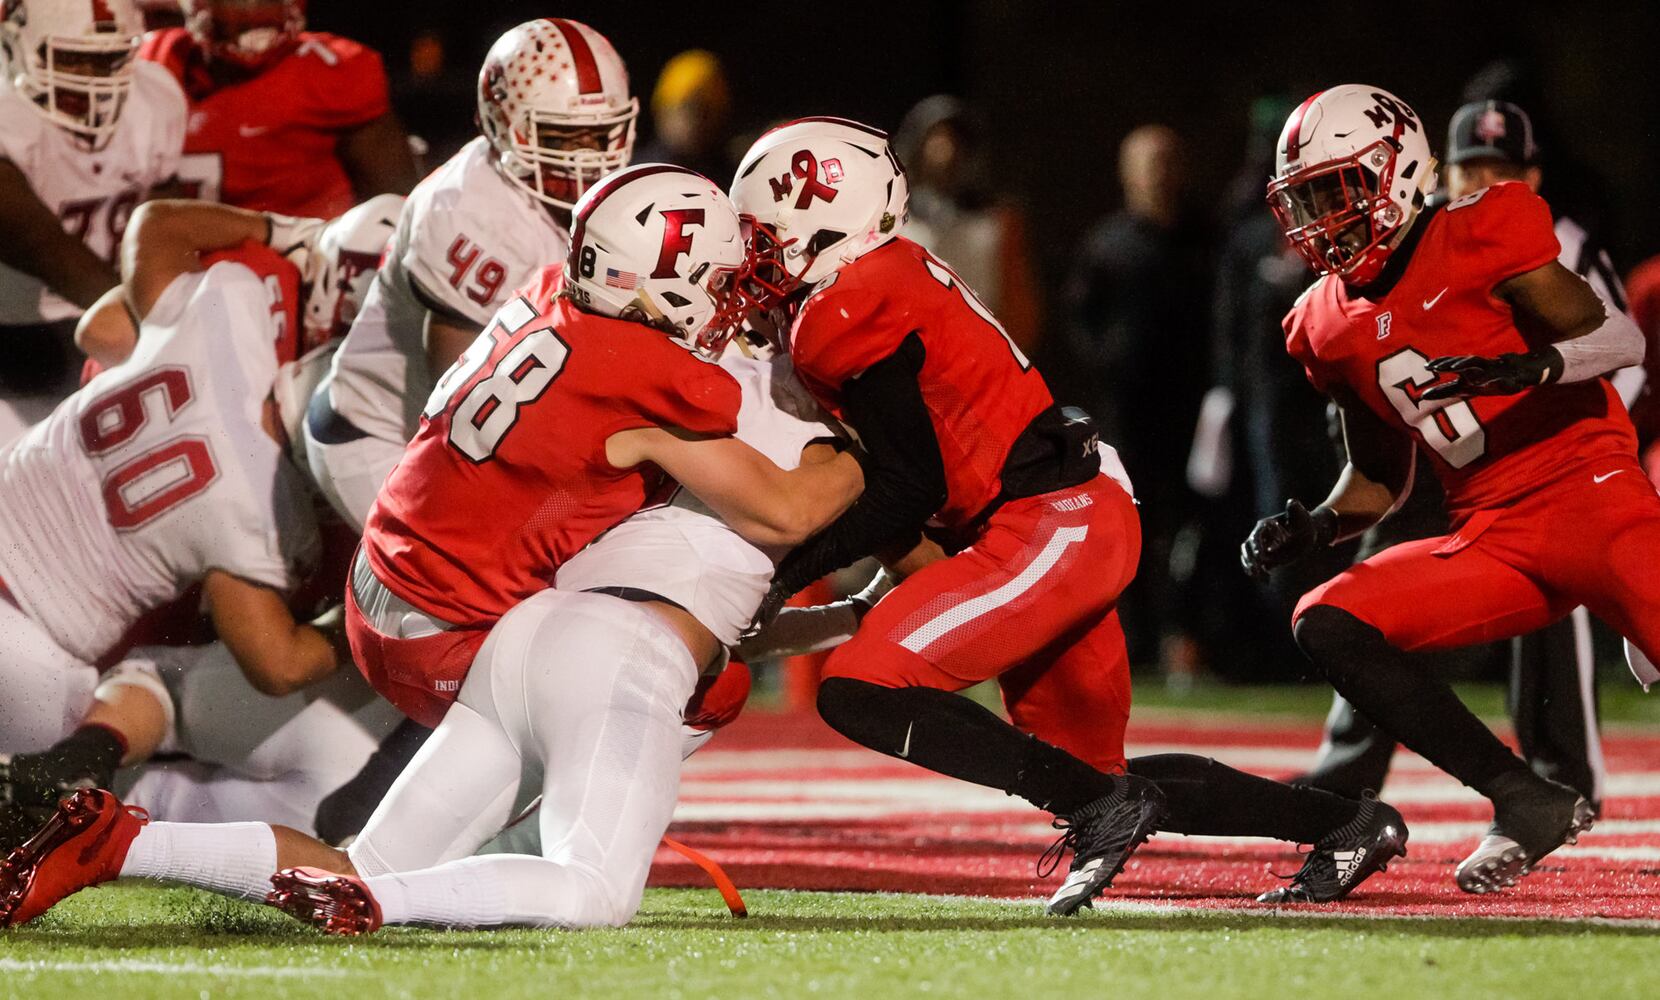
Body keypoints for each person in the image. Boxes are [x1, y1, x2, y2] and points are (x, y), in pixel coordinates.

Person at [0, 164, 864, 932]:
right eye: (717, 282)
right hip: (447, 624)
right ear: (659, 291)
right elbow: (790, 509)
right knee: (627, 811)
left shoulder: (552, 283)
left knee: (371, 850)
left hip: (404, 571)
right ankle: (428, 885)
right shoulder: (659, 378)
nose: (733, 301)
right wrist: (881, 441)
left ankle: (119, 842)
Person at [731, 118, 1406, 915]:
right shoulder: (876, 280)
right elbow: (915, 502)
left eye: (764, 239)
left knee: (862, 690)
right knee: (1096, 774)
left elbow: (905, 488)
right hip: (1053, 520)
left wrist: (776, 580)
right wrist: (835, 605)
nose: (753, 262)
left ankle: (1096, 813)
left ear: (828, 222)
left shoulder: (843, 309)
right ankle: (1348, 825)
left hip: (1046, 523)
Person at [1243, 84, 1657, 895]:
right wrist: (1317, 527)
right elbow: (1378, 479)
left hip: (1591, 493)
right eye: (1306, 200)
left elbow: (1621, 335)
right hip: (1491, 536)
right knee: (1326, 619)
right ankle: (1522, 797)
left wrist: (1537, 365)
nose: (1322, 218)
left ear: (1396, 171)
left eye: (1338, 189)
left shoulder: (1484, 228)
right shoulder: (1323, 324)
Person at [0, 196, 401, 851]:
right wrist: (369, 615)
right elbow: (277, 664)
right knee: (70, 801)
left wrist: (280, 226)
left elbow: (144, 245)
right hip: (31, 654)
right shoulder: (262, 508)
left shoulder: (228, 309)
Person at [307, 18, 636, 530]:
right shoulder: (469, 213)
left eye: (601, 134)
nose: (590, 157)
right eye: (565, 138)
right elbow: (465, 410)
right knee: (472, 604)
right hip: (386, 440)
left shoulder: (568, 198)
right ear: (504, 124)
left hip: (483, 428)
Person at [1062, 124, 1209, 673]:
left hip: (1193, 409)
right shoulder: (1107, 244)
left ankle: (1188, 638)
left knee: (1191, 525)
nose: (1159, 174)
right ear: (1128, 174)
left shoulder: (1201, 239)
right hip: (1127, 411)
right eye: (1149, 163)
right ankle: (1133, 638)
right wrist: (1111, 362)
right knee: (1126, 522)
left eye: (1168, 161)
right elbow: (1080, 317)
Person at [0, 0, 184, 422]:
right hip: (16, 341)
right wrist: (166, 331)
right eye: (71, 59)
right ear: (16, 44)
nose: (91, 79)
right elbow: (46, 248)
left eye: (108, 59)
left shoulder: (153, 98)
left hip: (109, 317)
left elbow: (164, 223)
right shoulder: (9, 116)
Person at [139, 0, 416, 217]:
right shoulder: (152, 64)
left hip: (304, 270)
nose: (256, 8)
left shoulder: (333, 72)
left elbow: (400, 208)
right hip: (181, 272)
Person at [893, 95, 1041, 356]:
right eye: (935, 139)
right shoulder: (892, 221)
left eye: (955, 142)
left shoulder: (996, 222)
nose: (946, 152)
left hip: (979, 353)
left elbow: (1019, 305)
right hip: (910, 354)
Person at [634, 49, 734, 184]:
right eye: (689, 106)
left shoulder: (727, 174)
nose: (697, 120)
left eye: (707, 111)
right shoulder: (636, 175)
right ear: (663, 109)